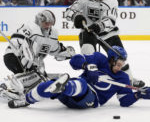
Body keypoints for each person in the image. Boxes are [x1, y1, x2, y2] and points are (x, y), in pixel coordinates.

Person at [6, 46, 150, 109]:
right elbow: (74, 60)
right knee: (48, 85)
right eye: (118, 64)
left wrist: (138, 95)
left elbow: (124, 101)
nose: (120, 67)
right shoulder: (99, 59)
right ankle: (25, 100)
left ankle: (65, 86)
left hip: (91, 100)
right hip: (70, 97)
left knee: (80, 83)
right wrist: (87, 65)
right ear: (111, 59)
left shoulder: (123, 78)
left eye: (122, 64)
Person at [65, 0, 144, 88]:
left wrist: (98, 26)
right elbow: (69, 11)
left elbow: (110, 21)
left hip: (107, 33)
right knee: (88, 53)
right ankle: (90, 77)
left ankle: (129, 79)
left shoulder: (112, 1)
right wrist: (76, 17)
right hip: (88, 32)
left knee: (119, 57)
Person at [0, 10, 75, 101]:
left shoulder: (52, 34)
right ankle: (6, 85)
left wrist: (67, 52)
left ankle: (18, 86)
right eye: (46, 23)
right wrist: (21, 47)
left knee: (39, 78)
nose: (48, 26)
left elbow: (55, 49)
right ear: (39, 21)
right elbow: (16, 38)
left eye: (50, 23)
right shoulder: (30, 28)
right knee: (36, 75)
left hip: (32, 62)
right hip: (13, 56)